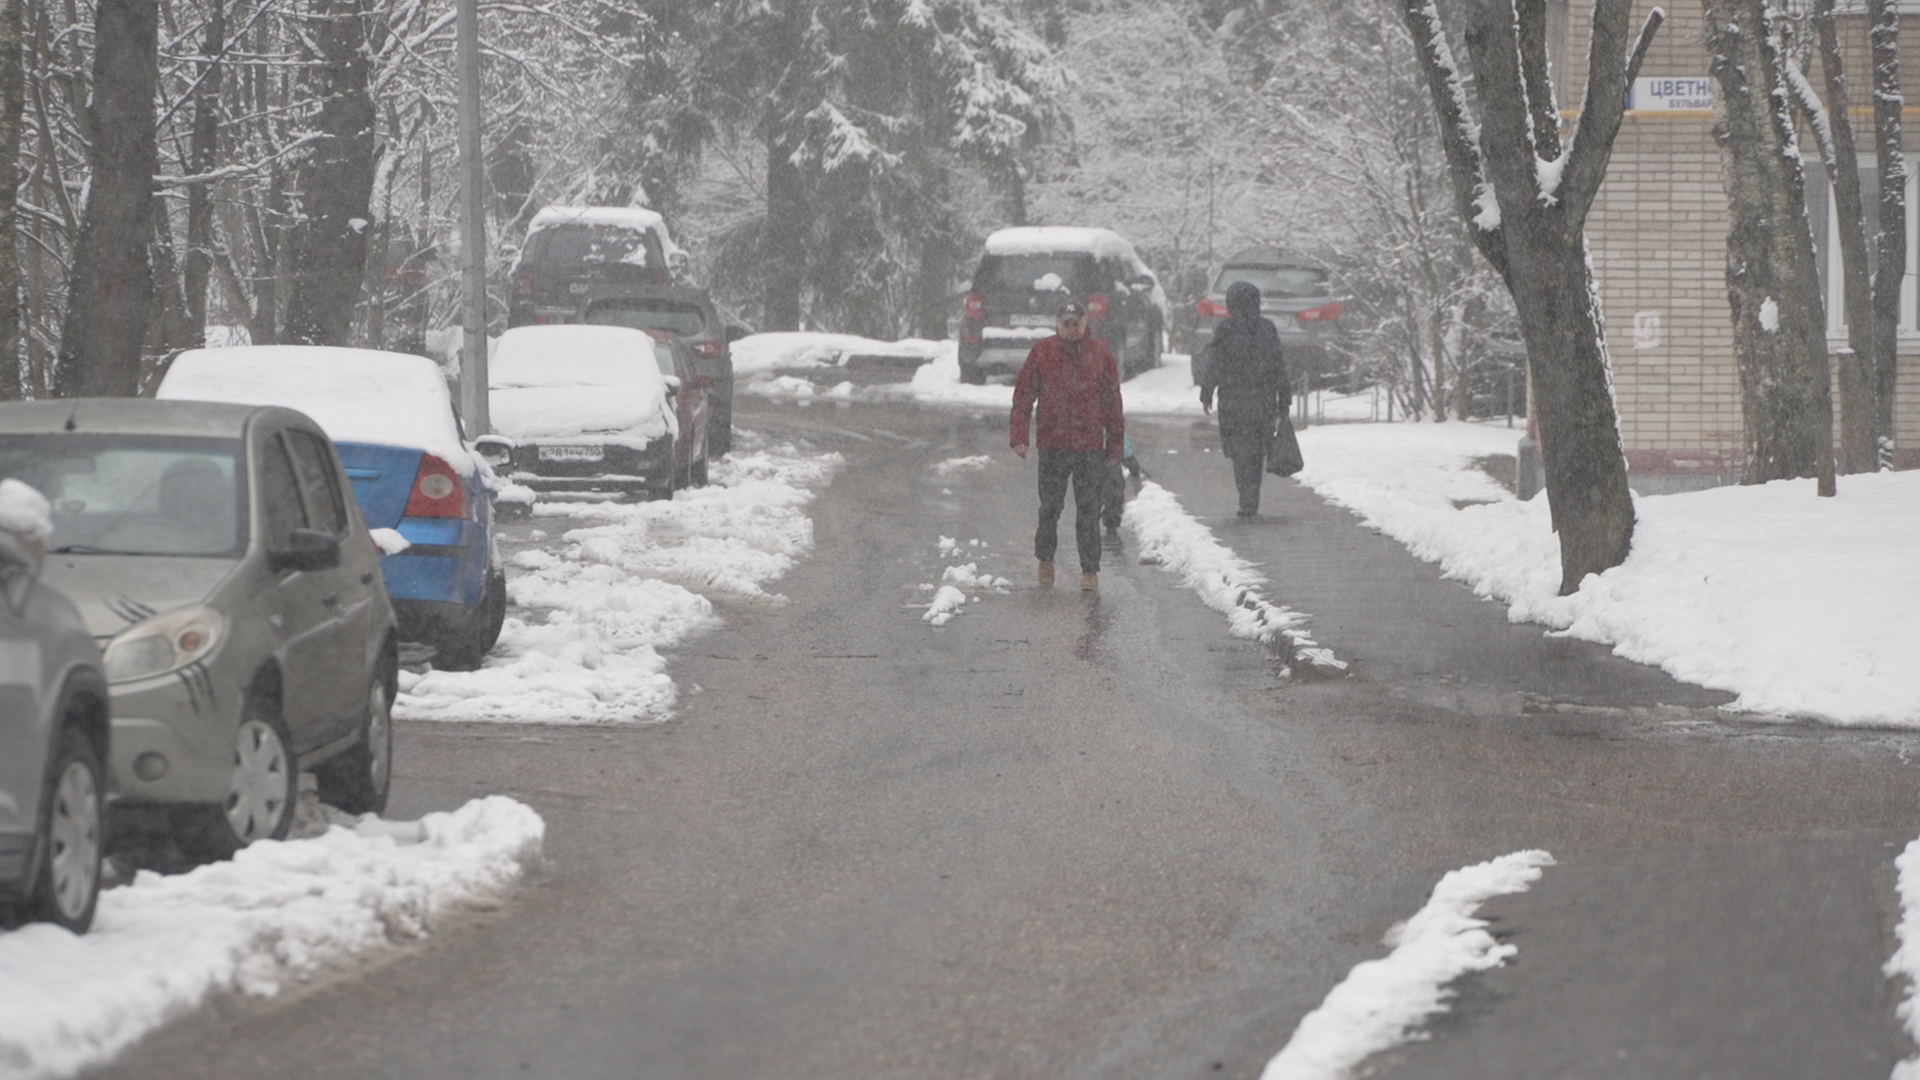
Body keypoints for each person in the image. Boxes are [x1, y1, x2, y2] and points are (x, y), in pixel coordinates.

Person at [1009, 298, 1125, 590]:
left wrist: (1115, 446)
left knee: (1088, 511)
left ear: (1085, 324)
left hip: (1089, 448)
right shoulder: (1042, 353)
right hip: (1053, 445)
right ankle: (1045, 560)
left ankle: (1090, 571)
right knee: (1049, 508)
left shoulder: (1100, 355)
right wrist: (1020, 436)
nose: (1072, 329)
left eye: (1077, 323)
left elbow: (1113, 405)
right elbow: (1023, 397)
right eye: (1066, 324)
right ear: (1058, 324)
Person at [1198, 280, 1290, 518]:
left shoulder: (1225, 329)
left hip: (1233, 402)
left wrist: (1207, 392)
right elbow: (1279, 366)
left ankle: (1245, 499)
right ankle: (1252, 500)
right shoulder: (1267, 329)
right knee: (1257, 453)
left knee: (1240, 453)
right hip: (1262, 402)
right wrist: (1284, 399)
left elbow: (1214, 364)